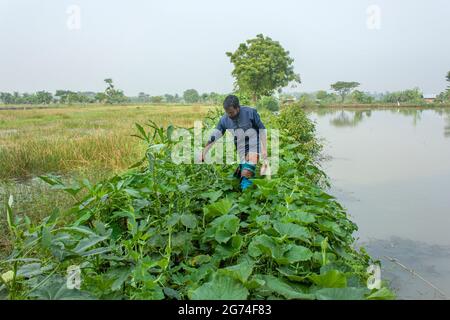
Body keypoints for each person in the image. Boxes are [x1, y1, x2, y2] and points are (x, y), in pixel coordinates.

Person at [199, 95, 268, 190]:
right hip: (241, 147)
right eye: (227, 113)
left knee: (246, 173)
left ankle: (246, 197)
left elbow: (262, 130)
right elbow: (214, 136)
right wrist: (204, 151)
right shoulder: (224, 120)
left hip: (254, 144)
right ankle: (242, 170)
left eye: (231, 112)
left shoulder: (250, 113)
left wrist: (264, 148)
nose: (229, 115)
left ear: (238, 108)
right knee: (243, 170)